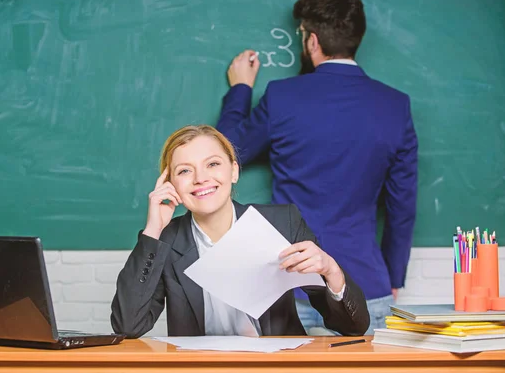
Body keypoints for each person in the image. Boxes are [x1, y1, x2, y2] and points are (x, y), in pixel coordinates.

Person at [216, 0, 418, 335]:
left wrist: (240, 89)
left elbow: (226, 153)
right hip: (365, 286)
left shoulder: (282, 96)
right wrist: (393, 274)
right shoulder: (396, 106)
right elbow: (402, 207)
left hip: (288, 288)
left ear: (312, 40)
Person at [111, 125, 369, 338]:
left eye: (212, 164)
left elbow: (352, 327)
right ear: (170, 184)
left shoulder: (282, 222)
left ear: (233, 171)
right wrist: (154, 229)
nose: (200, 178)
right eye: (185, 171)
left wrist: (332, 271)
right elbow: (128, 326)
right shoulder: (166, 240)